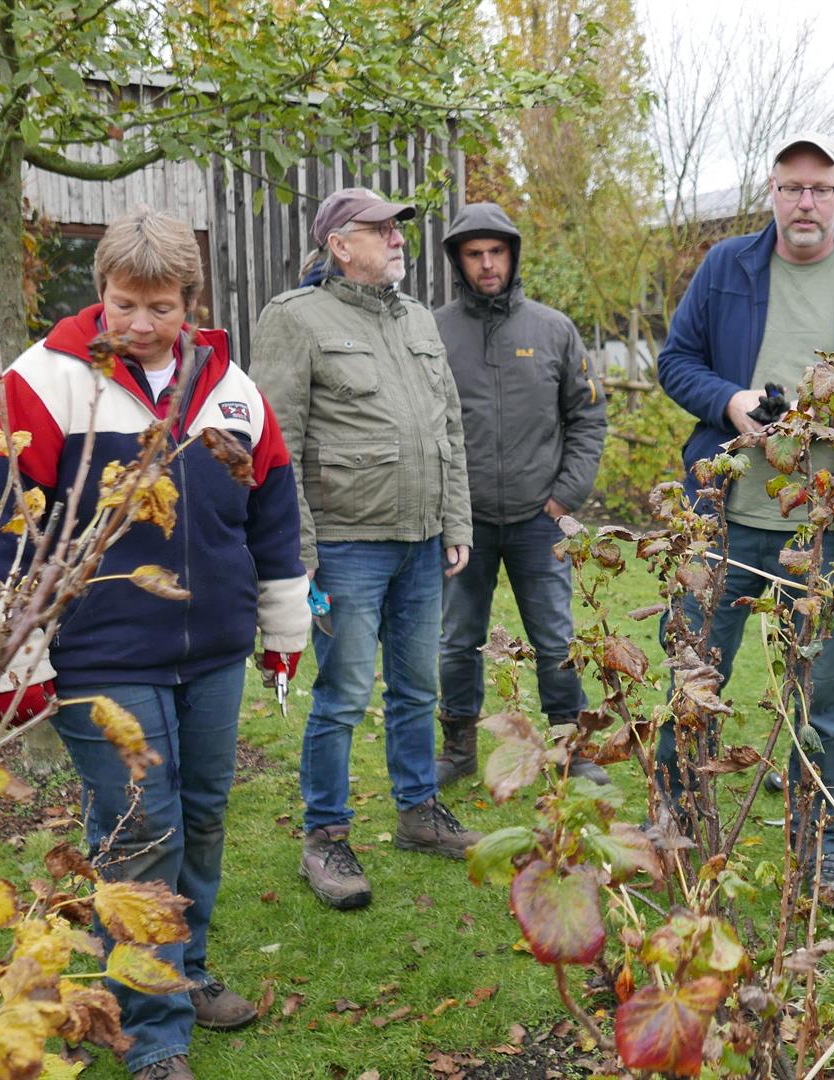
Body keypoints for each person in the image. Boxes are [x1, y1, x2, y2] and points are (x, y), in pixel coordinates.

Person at [0, 208, 308, 1080]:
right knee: (138, 830)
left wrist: (281, 624)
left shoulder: (230, 387)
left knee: (200, 815)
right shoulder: (37, 386)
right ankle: (151, 1034)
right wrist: (13, 656)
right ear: (101, 293)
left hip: (214, 646)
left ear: (190, 301)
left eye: (162, 307)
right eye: (126, 304)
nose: (143, 325)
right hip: (100, 649)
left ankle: (181, 971)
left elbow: (270, 513)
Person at [655, 133, 834, 908]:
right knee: (692, 675)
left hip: (824, 526)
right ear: (771, 193)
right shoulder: (726, 268)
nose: (805, 203)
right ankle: (676, 825)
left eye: (820, 188)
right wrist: (731, 402)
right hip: (727, 516)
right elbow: (675, 360)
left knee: (825, 699)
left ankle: (820, 854)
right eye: (791, 188)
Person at [248, 187, 481, 913]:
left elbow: (448, 429)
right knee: (344, 695)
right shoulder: (294, 319)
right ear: (338, 244)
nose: (397, 239)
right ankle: (325, 837)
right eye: (380, 230)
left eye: (397, 229)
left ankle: (418, 813)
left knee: (417, 688)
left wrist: (457, 521)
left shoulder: (415, 317)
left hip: (420, 540)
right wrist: (299, 548)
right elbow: (273, 442)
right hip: (346, 545)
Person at [432, 203, 609, 786]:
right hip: (464, 522)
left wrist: (565, 496)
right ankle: (457, 746)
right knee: (458, 640)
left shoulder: (553, 329)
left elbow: (587, 419)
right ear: (459, 261)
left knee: (555, 636)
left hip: (540, 518)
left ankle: (571, 749)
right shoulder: (434, 332)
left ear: (512, 254)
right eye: (475, 254)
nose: (487, 264)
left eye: (497, 252)